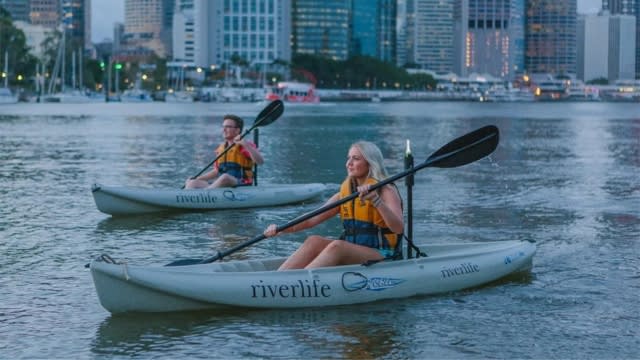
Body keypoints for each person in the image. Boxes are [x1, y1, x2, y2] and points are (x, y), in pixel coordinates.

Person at [263, 141, 404, 270]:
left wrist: (376, 201)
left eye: (356, 159)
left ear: (370, 163)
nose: (349, 163)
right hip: (355, 249)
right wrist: (281, 229)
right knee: (314, 241)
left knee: (338, 246)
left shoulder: (386, 191)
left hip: (383, 254)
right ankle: (278, 279)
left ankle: (299, 283)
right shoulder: (345, 193)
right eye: (349, 158)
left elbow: (398, 228)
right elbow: (312, 219)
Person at [185, 114, 264, 189]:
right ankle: (188, 197)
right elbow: (217, 171)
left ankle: (206, 194)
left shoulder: (246, 145)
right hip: (221, 184)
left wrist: (246, 145)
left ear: (237, 130)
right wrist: (198, 178)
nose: (224, 129)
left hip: (241, 182)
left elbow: (260, 162)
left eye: (228, 127)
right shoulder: (221, 148)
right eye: (223, 126)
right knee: (192, 182)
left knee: (225, 177)